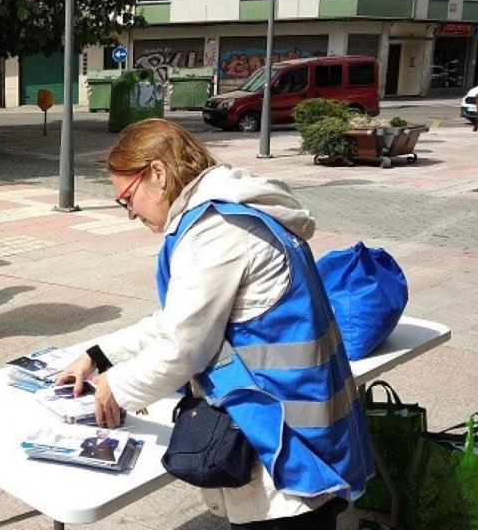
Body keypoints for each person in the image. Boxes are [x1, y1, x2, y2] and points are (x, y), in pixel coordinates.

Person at [55, 119, 372, 530]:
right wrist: (98, 354)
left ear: (158, 173)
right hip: (301, 429)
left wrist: (114, 387)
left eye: (127, 198)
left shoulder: (217, 232)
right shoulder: (230, 215)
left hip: (286, 448)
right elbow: (181, 321)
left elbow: (183, 348)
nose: (130, 212)